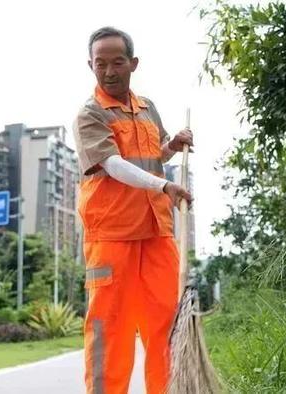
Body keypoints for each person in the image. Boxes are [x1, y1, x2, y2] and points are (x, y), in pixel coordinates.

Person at [72, 26, 194, 394]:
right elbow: (114, 165)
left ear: (133, 63)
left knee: (164, 327)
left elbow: (151, 157)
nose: (109, 71)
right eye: (100, 63)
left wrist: (171, 145)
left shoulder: (147, 108)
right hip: (112, 238)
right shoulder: (90, 114)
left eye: (117, 62)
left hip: (157, 233)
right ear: (90, 65)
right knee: (110, 330)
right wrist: (164, 185)